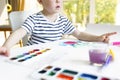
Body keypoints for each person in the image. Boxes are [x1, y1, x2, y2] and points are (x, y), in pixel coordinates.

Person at [0, 0, 117, 56]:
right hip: (33, 55)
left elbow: (79, 34)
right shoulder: (34, 19)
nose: (58, 1)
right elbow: (20, 32)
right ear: (40, 1)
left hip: (50, 55)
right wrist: (6, 47)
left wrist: (98, 38)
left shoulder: (63, 20)